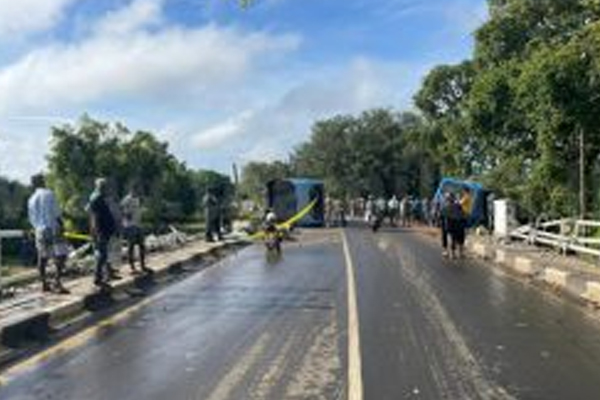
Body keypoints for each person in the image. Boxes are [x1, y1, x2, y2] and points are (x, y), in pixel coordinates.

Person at [27, 174, 70, 294]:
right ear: (42, 182)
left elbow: (31, 219)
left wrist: (37, 228)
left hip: (39, 230)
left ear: (33, 184)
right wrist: (62, 226)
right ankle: (57, 282)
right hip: (53, 227)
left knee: (42, 257)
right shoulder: (49, 193)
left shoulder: (31, 199)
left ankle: (44, 284)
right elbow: (57, 213)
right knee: (62, 254)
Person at [87, 178, 118, 289]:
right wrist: (96, 232)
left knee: (103, 254)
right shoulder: (96, 198)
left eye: (105, 186)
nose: (106, 188)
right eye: (104, 186)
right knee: (102, 255)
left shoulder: (100, 198)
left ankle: (105, 275)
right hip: (100, 231)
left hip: (103, 230)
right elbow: (94, 217)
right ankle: (98, 278)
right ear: (99, 187)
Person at [121, 187, 151, 275]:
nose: (139, 193)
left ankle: (142, 265)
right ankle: (132, 267)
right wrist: (128, 215)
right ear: (132, 191)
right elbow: (123, 212)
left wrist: (141, 212)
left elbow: (138, 210)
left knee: (142, 245)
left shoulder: (137, 199)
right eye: (137, 191)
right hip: (130, 226)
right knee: (131, 246)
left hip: (138, 225)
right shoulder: (126, 200)